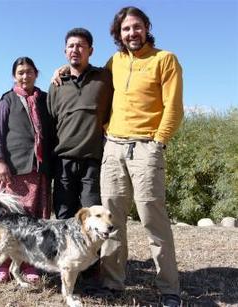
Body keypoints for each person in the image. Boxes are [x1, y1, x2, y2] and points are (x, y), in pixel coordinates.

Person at [99, 7, 184, 307]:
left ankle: (169, 289)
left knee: (152, 219)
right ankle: (112, 283)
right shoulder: (115, 62)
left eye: (136, 27)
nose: (131, 33)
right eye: (125, 29)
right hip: (112, 147)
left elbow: (174, 108)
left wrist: (158, 142)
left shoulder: (165, 60)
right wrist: (60, 71)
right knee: (110, 218)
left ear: (147, 27)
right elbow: (95, 89)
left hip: (146, 147)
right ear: (118, 33)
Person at [0, 57, 53, 283]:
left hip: (39, 170)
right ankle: (3, 264)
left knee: (36, 221)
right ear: (14, 76)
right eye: (20, 73)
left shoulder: (45, 99)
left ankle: (29, 265)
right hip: (14, 171)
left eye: (29, 72)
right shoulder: (7, 100)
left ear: (36, 73)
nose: (25, 76)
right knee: (10, 221)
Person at [47, 28, 112, 220]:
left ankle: (95, 253)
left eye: (80, 46)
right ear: (65, 51)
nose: (75, 50)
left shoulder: (104, 78)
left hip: (92, 160)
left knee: (94, 219)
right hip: (63, 161)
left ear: (90, 50)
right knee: (64, 217)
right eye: (71, 46)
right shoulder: (57, 84)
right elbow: (51, 123)